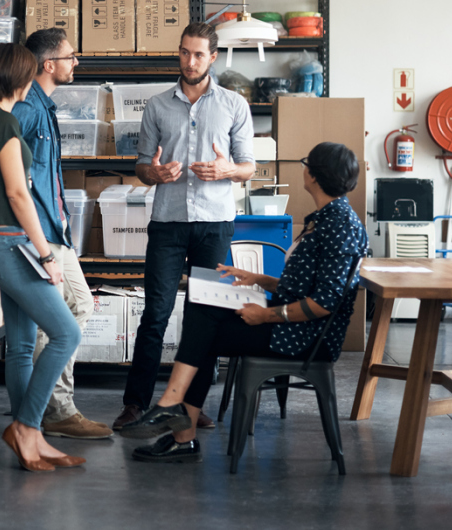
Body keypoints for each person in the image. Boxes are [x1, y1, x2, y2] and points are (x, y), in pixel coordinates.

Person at [118, 141, 369, 462]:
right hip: (292, 325)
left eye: (307, 163)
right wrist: (257, 279)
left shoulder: (338, 226)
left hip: (301, 336)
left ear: (315, 176)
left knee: (203, 323)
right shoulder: (328, 218)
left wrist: (266, 316)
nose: (303, 168)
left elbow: (325, 302)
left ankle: (177, 420)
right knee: (202, 296)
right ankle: (177, 420)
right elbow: (305, 286)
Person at [113, 22, 256, 432]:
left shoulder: (234, 105)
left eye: (198, 54)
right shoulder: (157, 106)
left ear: (213, 57)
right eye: (184, 53)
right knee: (155, 314)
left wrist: (228, 168)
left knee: (204, 317)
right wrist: (153, 173)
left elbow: (248, 167)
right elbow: (141, 166)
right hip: (168, 224)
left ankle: (192, 406)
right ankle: (135, 403)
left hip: (214, 224)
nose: (189, 61)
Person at [0, 42, 85, 472]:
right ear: (21, 77)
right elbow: (20, 194)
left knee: (19, 346)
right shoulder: (5, 124)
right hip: (14, 243)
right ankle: (28, 427)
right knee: (66, 334)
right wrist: (45, 254)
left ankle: (29, 437)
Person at [11, 28, 113, 440]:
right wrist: (39, 242)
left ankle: (45, 404)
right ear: (49, 64)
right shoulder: (26, 110)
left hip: (56, 230)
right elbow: (14, 180)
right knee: (59, 318)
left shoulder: (45, 107)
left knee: (75, 307)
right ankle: (55, 408)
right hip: (38, 235)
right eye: (71, 57)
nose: (76, 63)